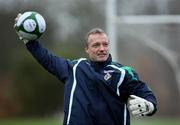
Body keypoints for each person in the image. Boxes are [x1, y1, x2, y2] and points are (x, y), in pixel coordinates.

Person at [14, 14, 157, 125]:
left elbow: (143, 90)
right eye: (96, 45)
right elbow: (48, 59)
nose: (102, 49)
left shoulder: (123, 72)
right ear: (87, 49)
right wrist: (29, 41)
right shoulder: (74, 68)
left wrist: (150, 105)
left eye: (105, 44)